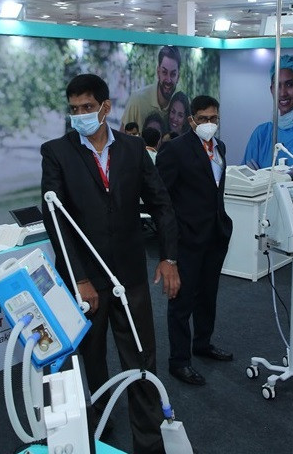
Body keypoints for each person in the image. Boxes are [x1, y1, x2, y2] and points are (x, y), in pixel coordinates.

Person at [40, 74, 180, 454]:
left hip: (130, 275)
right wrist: (79, 278)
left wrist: (169, 257)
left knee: (142, 359)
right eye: (74, 109)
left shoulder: (133, 149)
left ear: (105, 107)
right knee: (91, 359)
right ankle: (99, 423)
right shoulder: (57, 153)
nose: (80, 115)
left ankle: (148, 443)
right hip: (87, 281)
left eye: (87, 107)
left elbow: (161, 203)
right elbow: (55, 219)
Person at [156, 95, 234, 386]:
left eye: (213, 118)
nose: (209, 123)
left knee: (208, 294)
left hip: (215, 234)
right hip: (186, 238)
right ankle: (179, 361)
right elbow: (162, 200)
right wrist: (169, 245)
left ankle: (203, 343)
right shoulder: (174, 149)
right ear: (191, 120)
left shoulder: (220, 147)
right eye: (203, 119)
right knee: (181, 301)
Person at [121, 45, 181, 133]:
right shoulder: (137, 100)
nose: (168, 80)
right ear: (158, 72)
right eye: (164, 72)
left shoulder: (180, 105)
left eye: (173, 74)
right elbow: (122, 137)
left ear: (178, 77)